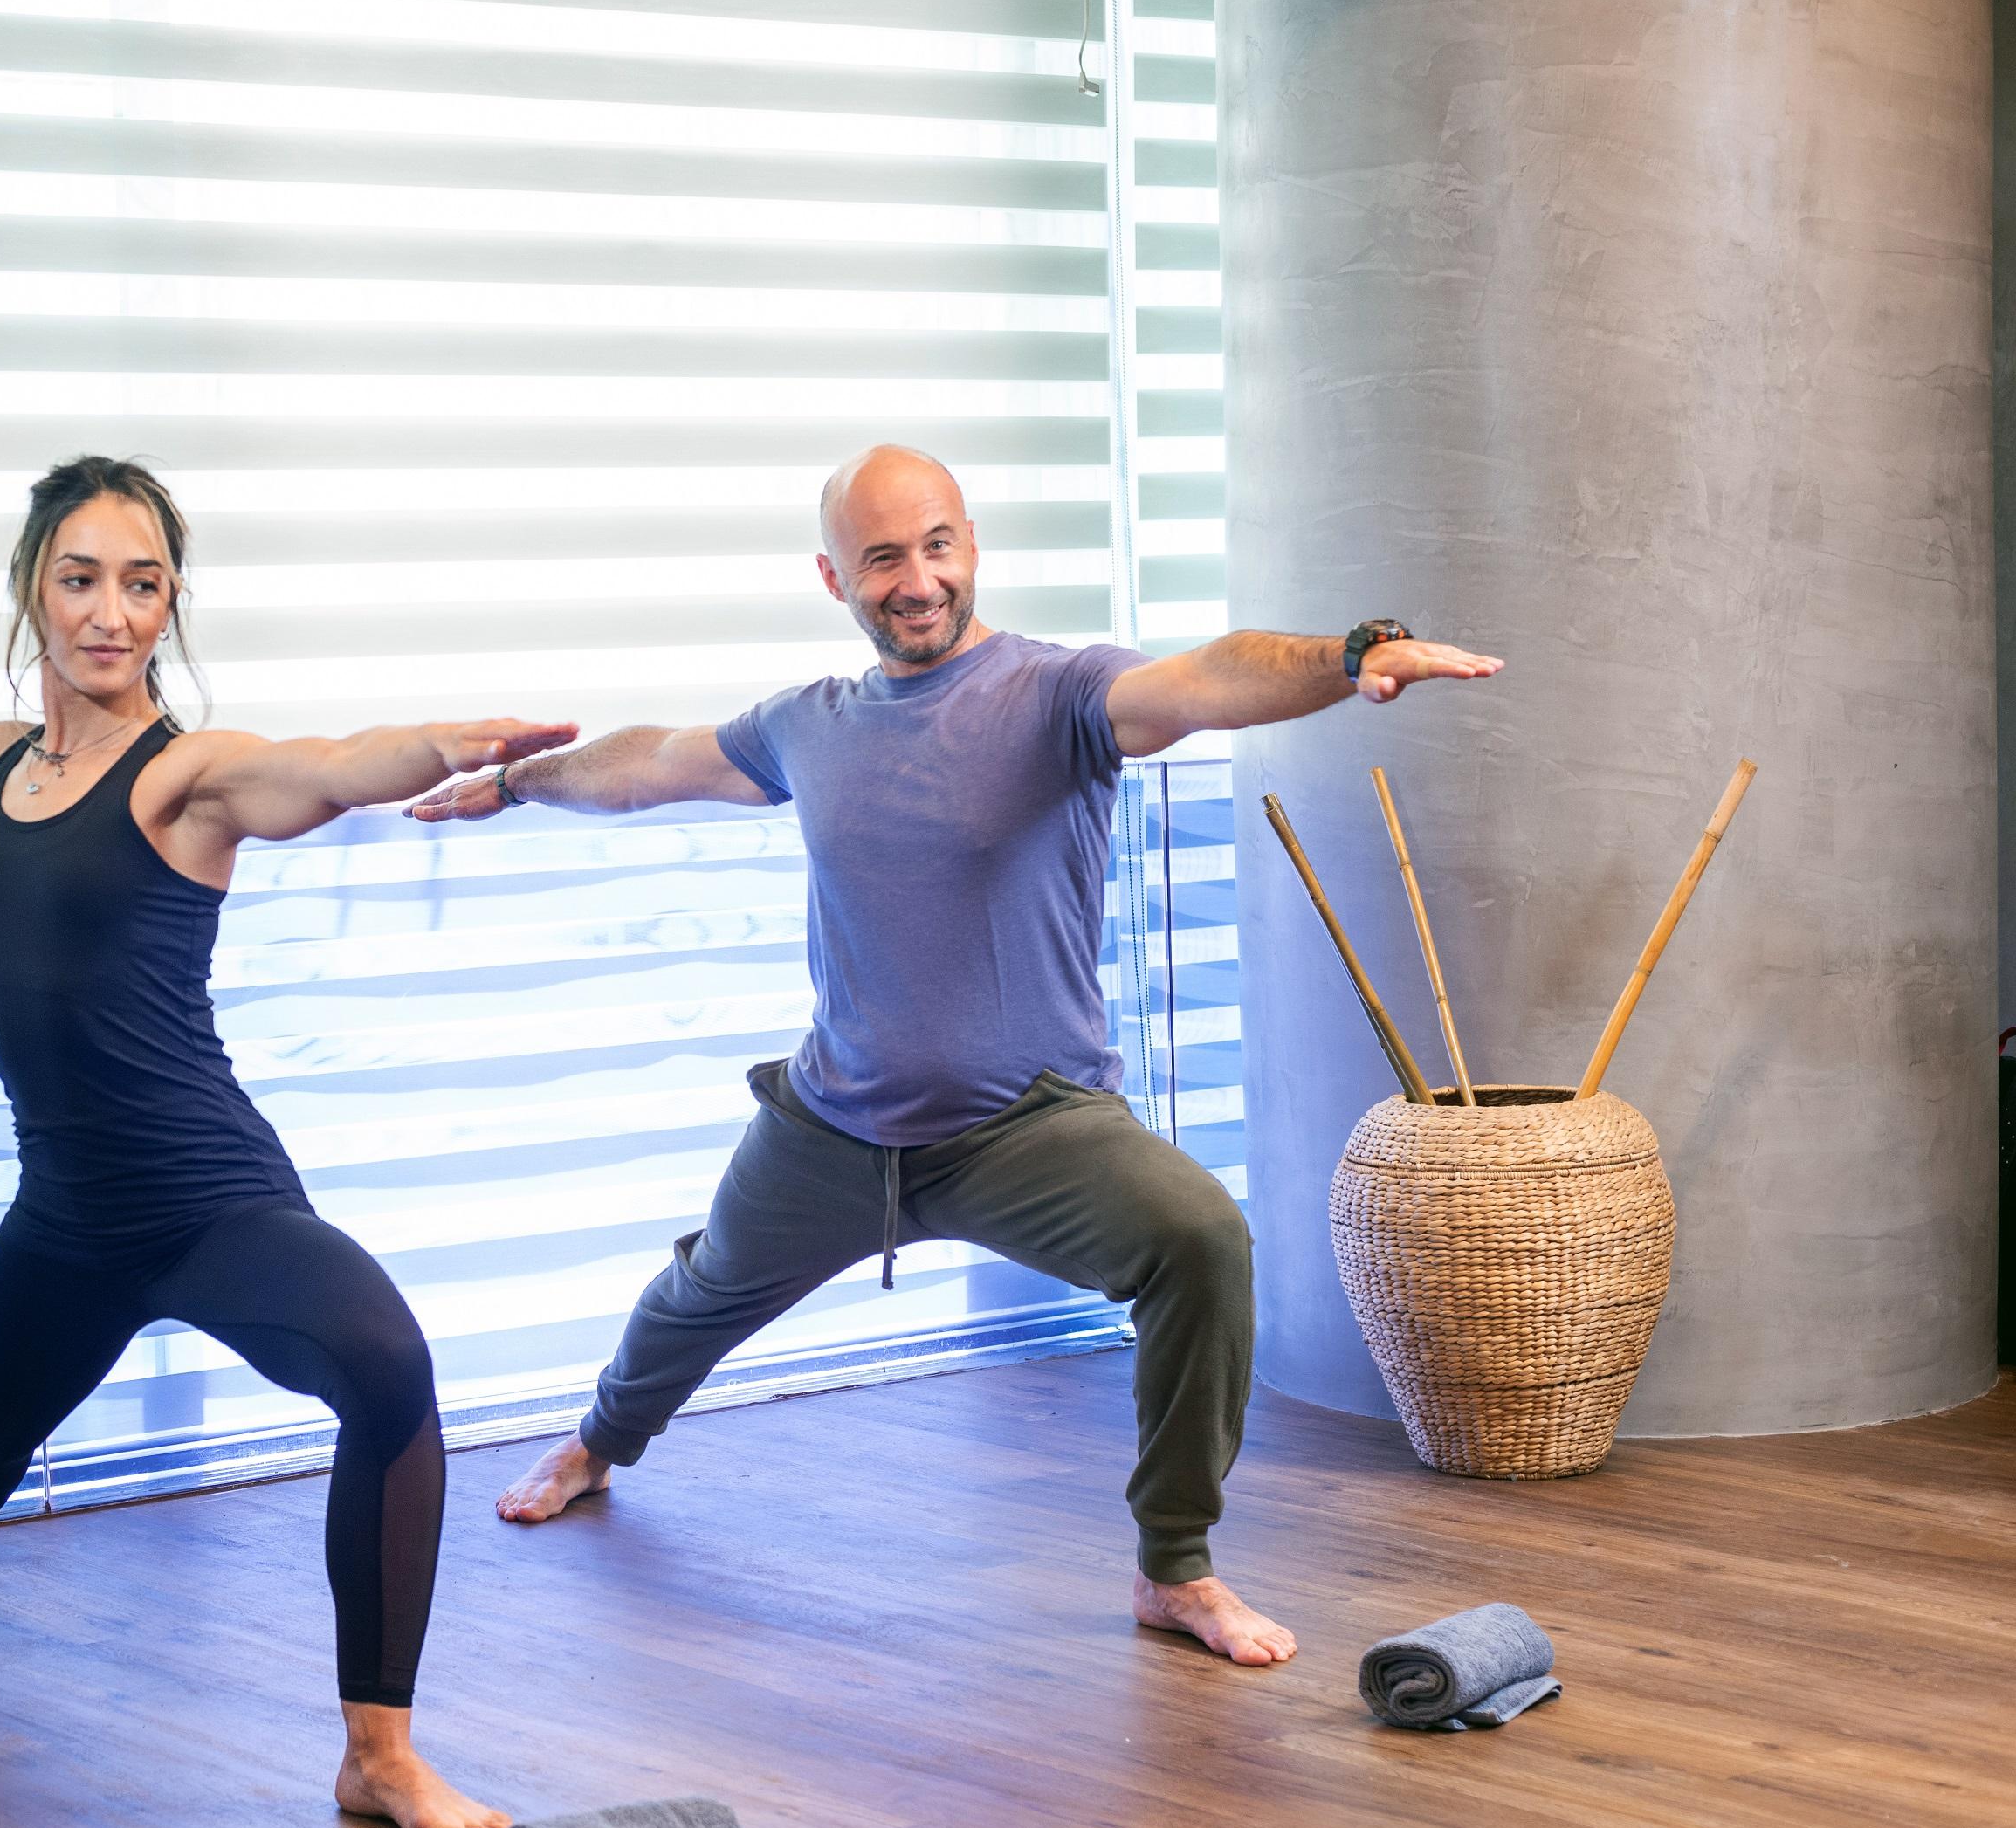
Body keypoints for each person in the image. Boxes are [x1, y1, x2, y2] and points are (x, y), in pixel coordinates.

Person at [409, 444, 1502, 1666]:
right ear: (836, 577)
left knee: (1197, 1238)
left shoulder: (1061, 694)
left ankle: (1175, 1567)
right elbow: (649, 766)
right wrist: (516, 786)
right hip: (836, 1125)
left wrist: (1349, 658)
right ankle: (598, 1446)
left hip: (1028, 1128)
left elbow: (1206, 679)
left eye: (936, 547)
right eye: (883, 558)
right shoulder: (805, 726)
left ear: (971, 545)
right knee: (698, 1293)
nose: (916, 580)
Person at [0, 455, 571, 1828]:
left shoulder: (186, 780)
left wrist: (443, 743)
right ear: (34, 589)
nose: (110, 612)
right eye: (81, 578)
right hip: (67, 1212)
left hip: (206, 1201)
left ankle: (378, 1755)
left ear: (170, 606)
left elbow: (325, 771)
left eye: (143, 584)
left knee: (390, 1372)